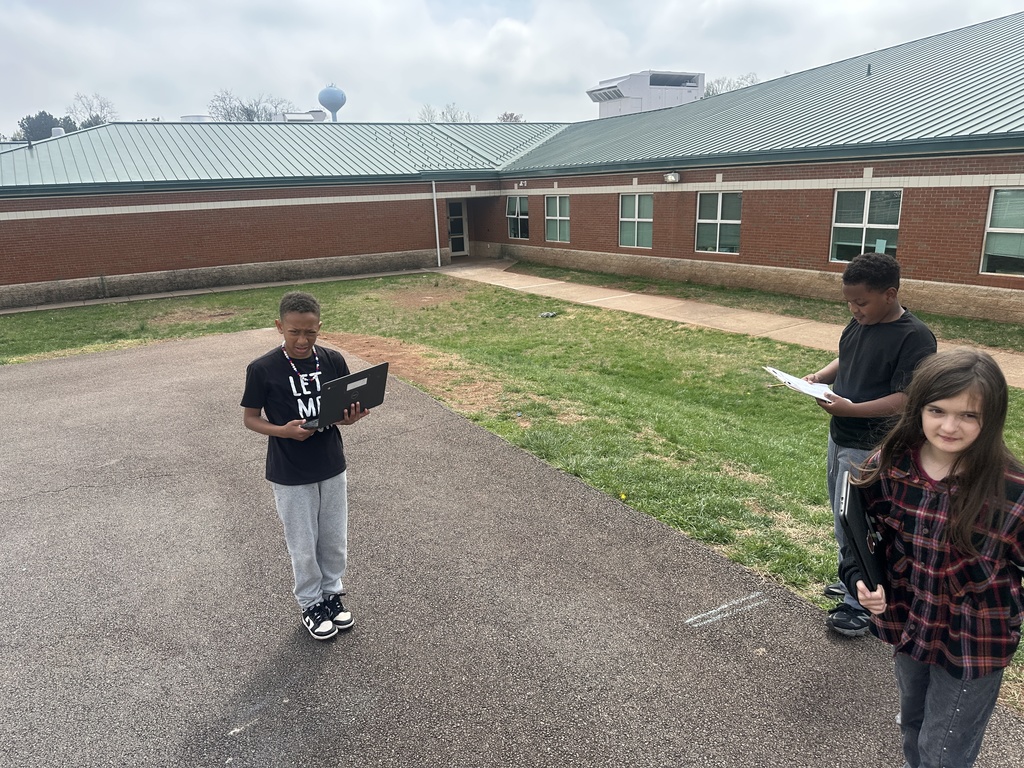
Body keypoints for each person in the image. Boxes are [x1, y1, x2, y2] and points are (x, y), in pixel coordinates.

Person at [841, 348, 1024, 768]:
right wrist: (860, 584)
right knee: (913, 724)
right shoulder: (889, 466)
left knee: (944, 750)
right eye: (937, 409)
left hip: (974, 640)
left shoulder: (1012, 491)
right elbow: (858, 543)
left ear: (991, 419)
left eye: (969, 415)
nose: (949, 426)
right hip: (909, 623)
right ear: (918, 407)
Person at [804, 252, 936, 636]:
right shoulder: (862, 320)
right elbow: (846, 356)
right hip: (841, 437)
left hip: (872, 448)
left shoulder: (915, 337)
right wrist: (818, 376)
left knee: (861, 525)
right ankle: (853, 582)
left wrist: (852, 408)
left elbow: (908, 399)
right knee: (842, 517)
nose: (854, 309)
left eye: (861, 302)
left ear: (890, 294)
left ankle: (859, 607)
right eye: (849, 302)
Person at [241, 291, 368, 640]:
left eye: (310, 332)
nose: (302, 339)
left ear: (319, 327)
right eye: (294, 331)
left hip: (331, 463)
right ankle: (310, 603)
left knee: (333, 537)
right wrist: (282, 431)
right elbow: (251, 419)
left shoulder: (332, 360)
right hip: (290, 470)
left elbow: (343, 410)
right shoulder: (262, 369)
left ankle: (332, 594)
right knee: (302, 541)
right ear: (280, 326)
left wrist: (350, 418)